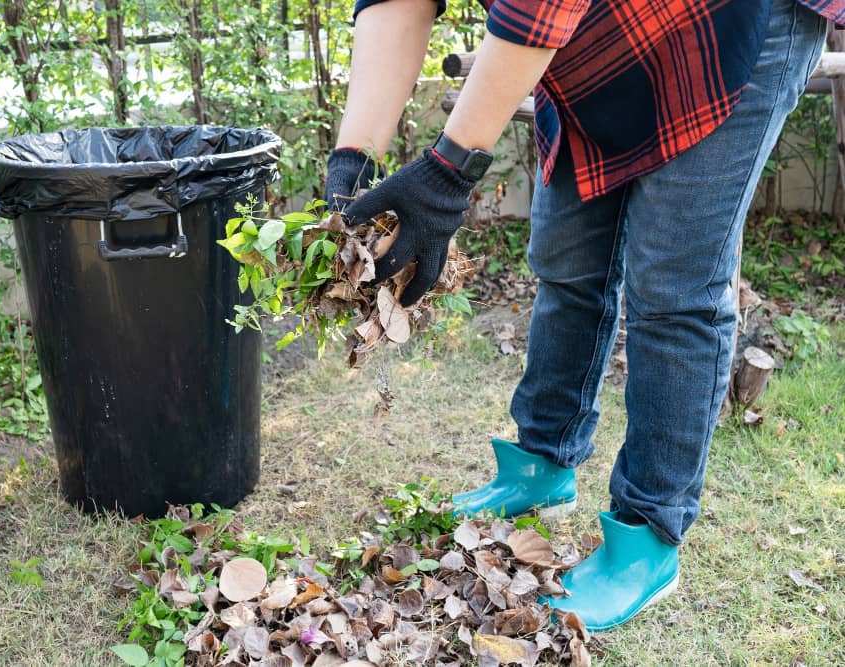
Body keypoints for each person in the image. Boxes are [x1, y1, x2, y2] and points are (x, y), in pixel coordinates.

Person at [325, 0, 841, 631]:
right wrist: (353, 163)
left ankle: (645, 540)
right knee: (566, 260)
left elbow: (537, 9)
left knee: (674, 289)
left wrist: (447, 173)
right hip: (599, 37)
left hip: (733, 24)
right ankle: (543, 464)